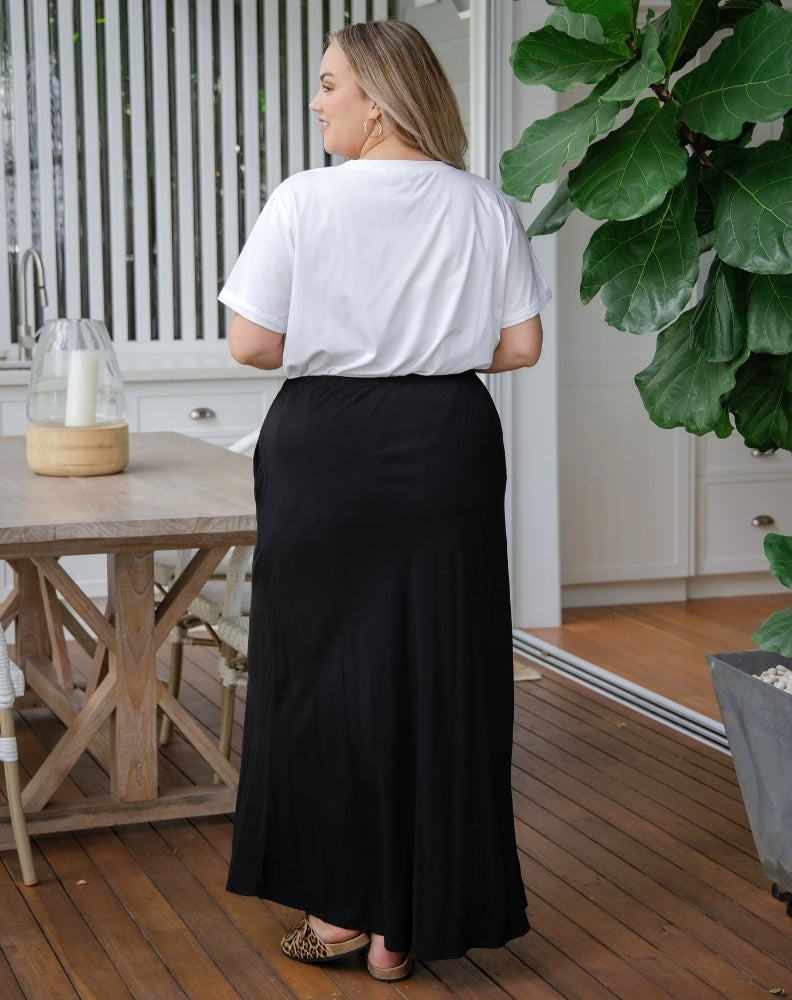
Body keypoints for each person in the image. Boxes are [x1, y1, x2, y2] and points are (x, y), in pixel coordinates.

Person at [218, 18, 551, 982]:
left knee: (323, 678)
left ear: (377, 96)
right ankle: (409, 929)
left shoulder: (304, 202)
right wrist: (430, 350)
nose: (317, 101)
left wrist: (351, 343)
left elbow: (251, 345)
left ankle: (336, 916)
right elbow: (521, 347)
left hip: (328, 444)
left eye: (329, 85)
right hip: (448, 440)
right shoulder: (483, 203)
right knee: (442, 672)